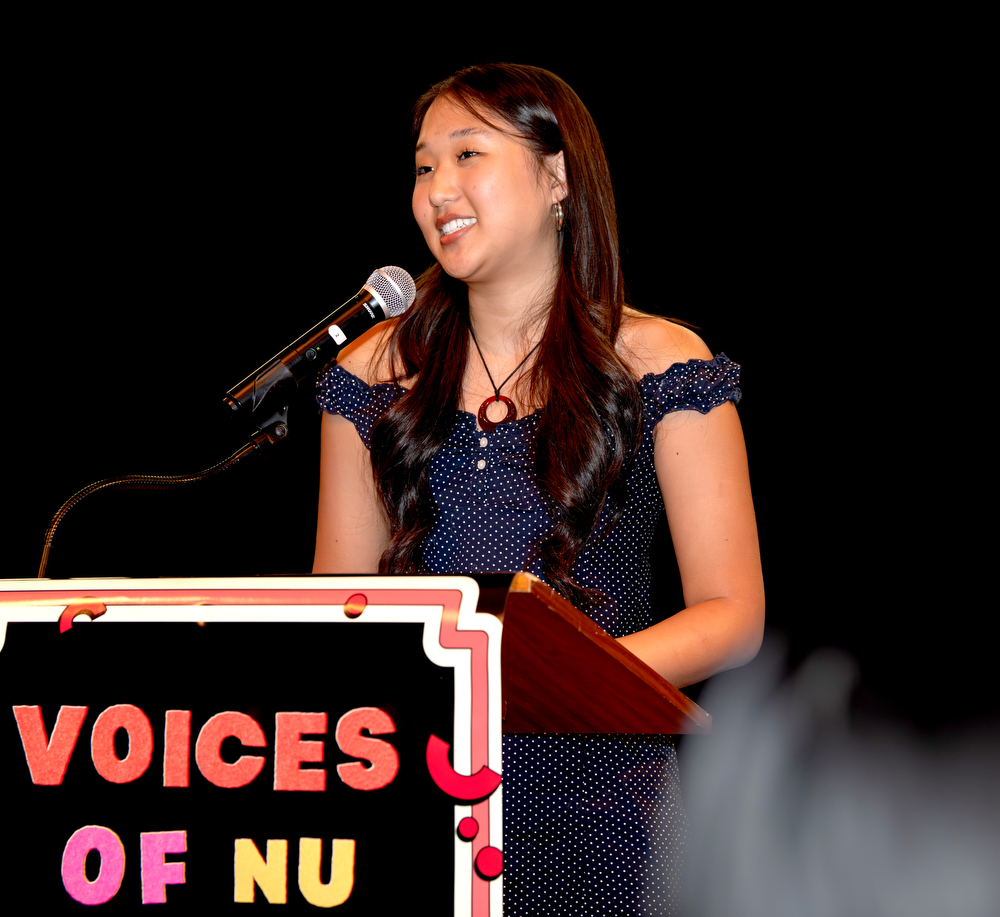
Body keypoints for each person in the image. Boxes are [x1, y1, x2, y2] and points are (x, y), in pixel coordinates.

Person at [312, 63, 764, 916]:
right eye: (422, 166)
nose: (438, 188)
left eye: (468, 154)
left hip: (601, 799)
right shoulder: (368, 373)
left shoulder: (662, 363)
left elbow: (733, 613)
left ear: (556, 178)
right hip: (415, 792)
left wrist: (535, 681)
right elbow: (340, 608)